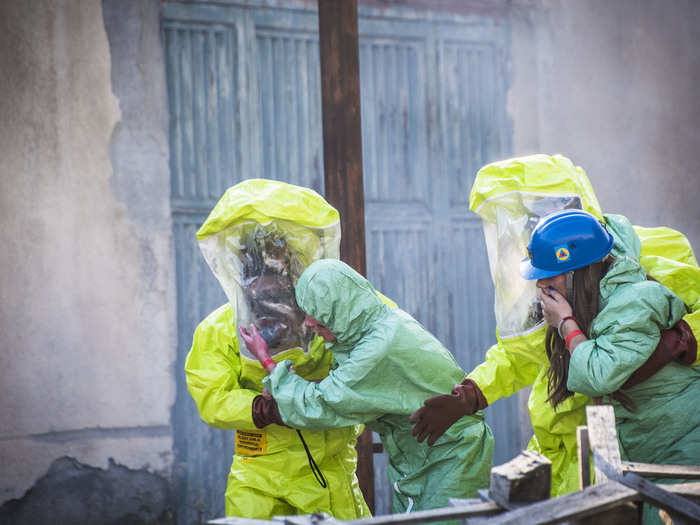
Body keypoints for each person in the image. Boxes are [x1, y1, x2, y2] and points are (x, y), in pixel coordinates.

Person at [409, 154, 700, 496]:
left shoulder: (645, 256)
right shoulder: (545, 277)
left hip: (656, 439)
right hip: (572, 448)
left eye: (539, 217)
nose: (528, 232)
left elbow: (682, 320)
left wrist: (682, 340)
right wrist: (471, 394)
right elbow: (520, 353)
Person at [240, 259, 494, 515]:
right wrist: (285, 385)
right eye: (309, 318)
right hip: (428, 454)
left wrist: (270, 365)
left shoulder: (377, 349)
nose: (311, 328)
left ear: (342, 315)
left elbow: (323, 404)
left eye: (321, 325)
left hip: (448, 459)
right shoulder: (378, 324)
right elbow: (348, 387)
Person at [185, 179, 371, 519]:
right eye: (256, 269)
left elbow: (379, 352)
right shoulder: (220, 329)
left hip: (328, 475)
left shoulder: (335, 315)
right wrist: (261, 409)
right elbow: (211, 395)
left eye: (276, 270)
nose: (265, 283)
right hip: (259, 479)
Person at [521, 209, 700, 524]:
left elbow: (598, 374)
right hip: (649, 451)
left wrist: (566, 324)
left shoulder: (632, 303)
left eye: (550, 277)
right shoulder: (599, 298)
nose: (542, 287)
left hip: (685, 447)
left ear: (580, 273)